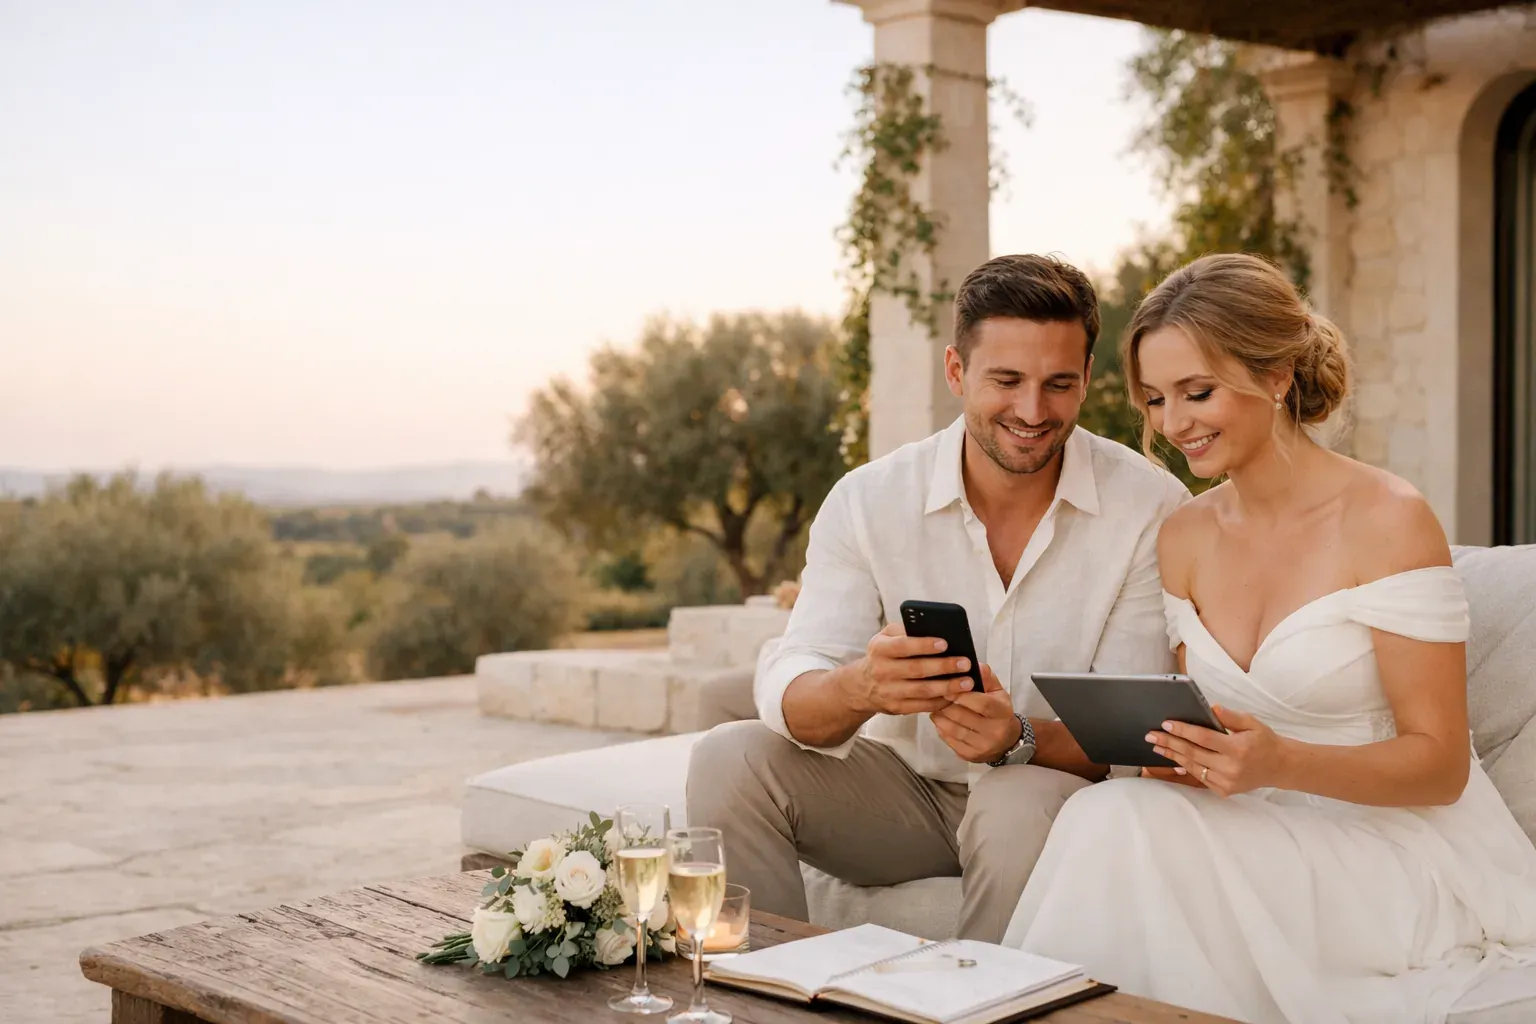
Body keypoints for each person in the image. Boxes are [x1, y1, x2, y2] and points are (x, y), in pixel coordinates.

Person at [1001, 252, 1536, 1024]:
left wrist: (1281, 761)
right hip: (1252, 833)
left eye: (1198, 392)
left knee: (1111, 823)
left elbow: (1442, 766)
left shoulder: (1387, 519)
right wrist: (1183, 764)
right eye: (1154, 400)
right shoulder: (1182, 535)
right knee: (1114, 813)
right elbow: (1199, 730)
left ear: (1279, 375)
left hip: (1397, 855)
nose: (1173, 423)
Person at [686, 254, 1190, 943]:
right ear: (956, 371)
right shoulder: (869, 500)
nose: (1032, 411)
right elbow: (795, 676)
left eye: (1058, 385)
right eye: (1006, 380)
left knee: (1011, 800)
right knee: (728, 757)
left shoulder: (1150, 505)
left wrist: (1019, 738)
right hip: (906, 795)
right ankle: (765, 1000)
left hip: (1054, 797)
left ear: (1087, 380)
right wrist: (861, 687)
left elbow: (1135, 730)